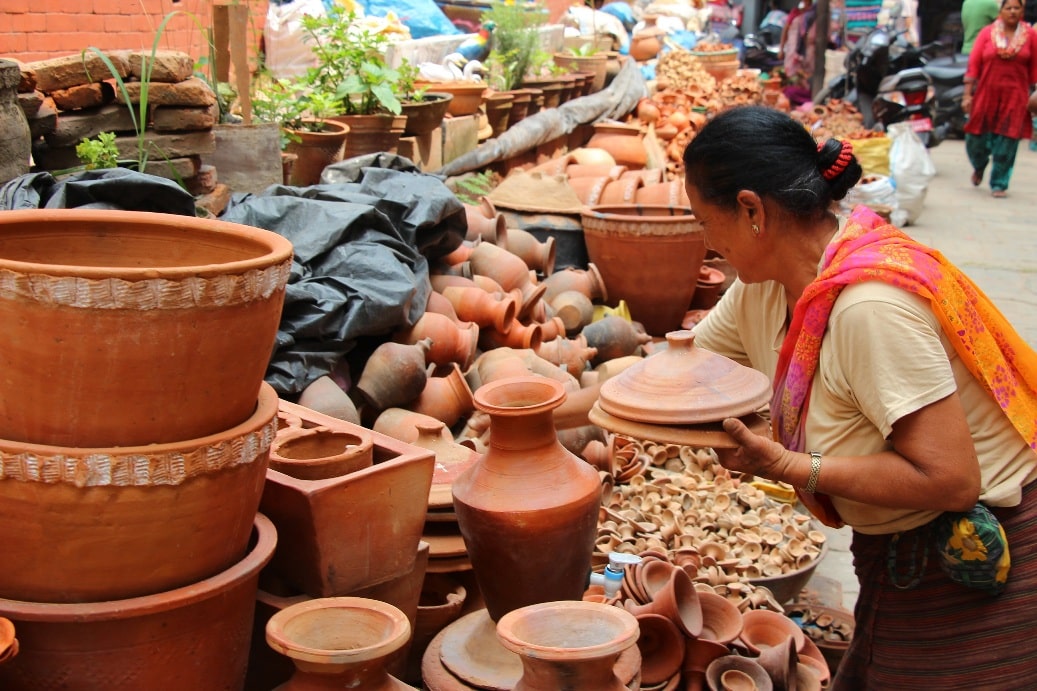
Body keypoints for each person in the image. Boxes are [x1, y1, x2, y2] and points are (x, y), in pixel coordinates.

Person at [683, 105, 1037, 689]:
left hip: (981, 562)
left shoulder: (869, 306)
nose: (704, 242)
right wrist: (533, 401)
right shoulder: (765, 289)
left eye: (703, 222)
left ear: (751, 211)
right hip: (898, 562)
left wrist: (791, 465)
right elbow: (675, 371)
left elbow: (951, 480)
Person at [963, 0, 1037, 197]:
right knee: (975, 139)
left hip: (1016, 97)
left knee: (1008, 140)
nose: (1012, 12)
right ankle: (979, 166)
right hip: (986, 94)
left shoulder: (1030, 36)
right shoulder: (987, 33)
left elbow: (1035, 69)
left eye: (1016, 8)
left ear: (1022, 11)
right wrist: (967, 95)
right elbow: (974, 65)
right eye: (1008, 8)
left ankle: (999, 183)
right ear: (1001, 11)